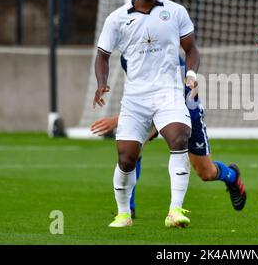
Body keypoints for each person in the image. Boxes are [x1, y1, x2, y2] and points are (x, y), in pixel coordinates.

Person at [93, 0, 200, 228]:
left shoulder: (175, 12)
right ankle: (123, 214)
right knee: (127, 158)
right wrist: (101, 82)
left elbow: (191, 49)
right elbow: (102, 55)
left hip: (169, 92)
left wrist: (190, 74)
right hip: (135, 98)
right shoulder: (116, 19)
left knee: (179, 138)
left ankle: (175, 211)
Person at [91, 56, 247, 219]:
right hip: (153, 106)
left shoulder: (166, 53)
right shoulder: (128, 56)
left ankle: (232, 176)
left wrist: (119, 119)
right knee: (133, 146)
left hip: (185, 107)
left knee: (206, 172)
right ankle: (128, 208)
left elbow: (173, 94)